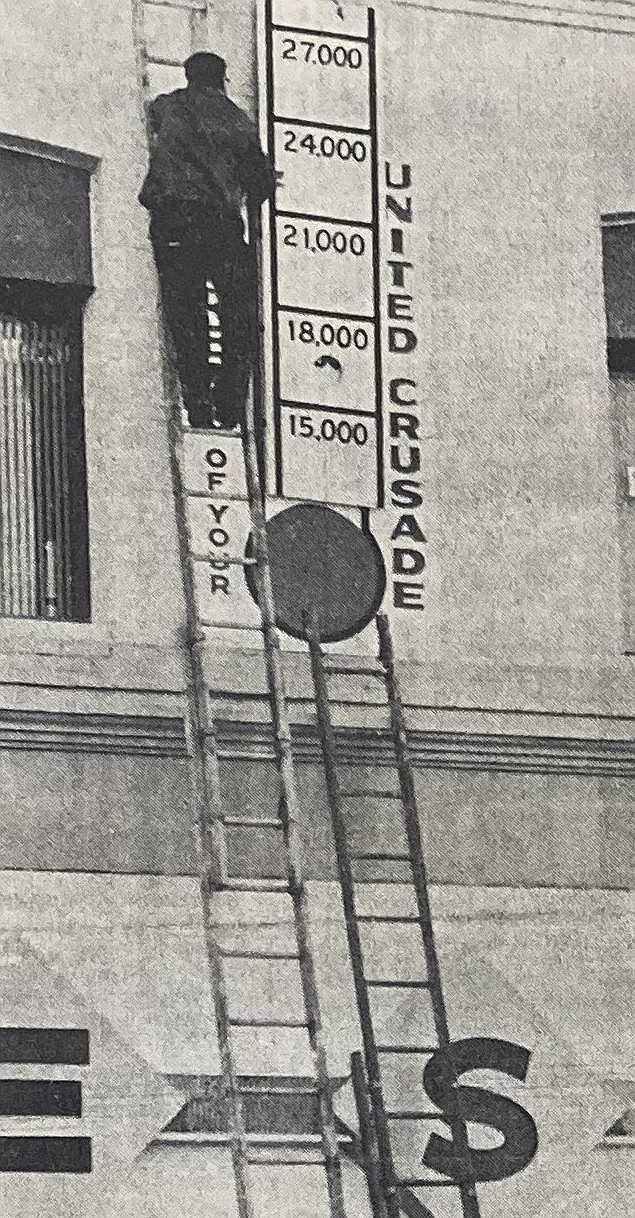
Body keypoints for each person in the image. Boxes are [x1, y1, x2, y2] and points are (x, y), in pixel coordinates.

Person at [139, 52, 275, 429]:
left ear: (187, 77)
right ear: (222, 80)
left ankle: (196, 403)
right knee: (240, 315)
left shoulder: (166, 106)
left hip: (170, 223)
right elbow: (259, 183)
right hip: (216, 223)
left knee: (186, 315)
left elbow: (154, 120)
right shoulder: (235, 119)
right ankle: (229, 405)